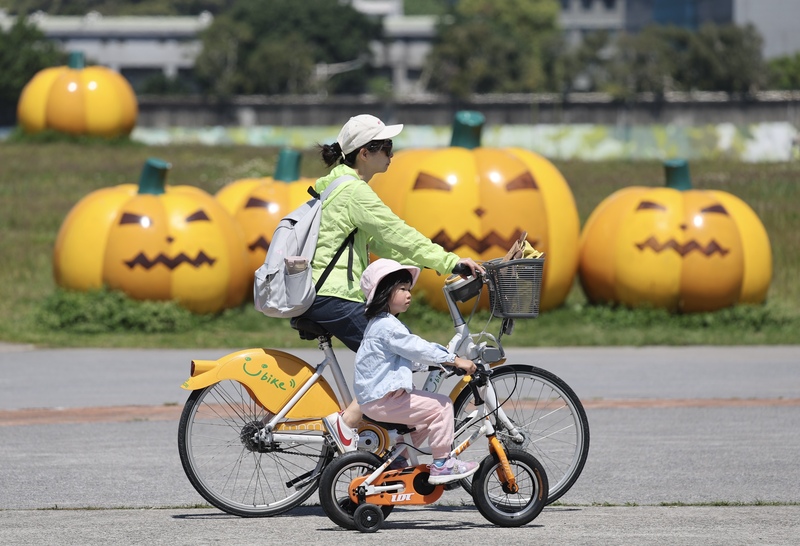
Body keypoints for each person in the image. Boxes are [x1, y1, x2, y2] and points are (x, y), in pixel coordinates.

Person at [295, 114, 483, 452]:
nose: (392, 155)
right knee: (391, 350)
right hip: (332, 295)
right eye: (386, 147)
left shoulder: (339, 186)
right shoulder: (353, 192)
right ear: (365, 153)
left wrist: (418, 267)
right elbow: (398, 232)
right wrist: (449, 261)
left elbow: (384, 244)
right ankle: (348, 424)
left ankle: (387, 447)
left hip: (329, 294)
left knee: (393, 356)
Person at [353, 258, 479, 484]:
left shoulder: (379, 324)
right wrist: (453, 359)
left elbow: (403, 359)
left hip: (376, 399)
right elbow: (417, 348)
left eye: (409, 289)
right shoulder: (388, 326)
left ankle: (399, 460)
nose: (408, 294)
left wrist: (438, 364)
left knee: (421, 422)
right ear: (383, 292)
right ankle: (442, 464)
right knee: (442, 407)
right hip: (385, 399)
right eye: (402, 289)